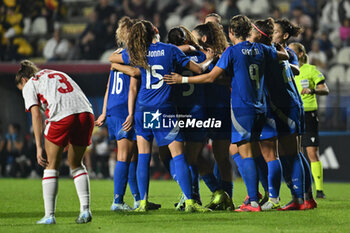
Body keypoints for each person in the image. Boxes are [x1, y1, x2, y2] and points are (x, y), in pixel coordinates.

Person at [164, 15, 289, 212]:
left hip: (233, 109)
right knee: (249, 154)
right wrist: (276, 45)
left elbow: (211, 77)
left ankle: (247, 200)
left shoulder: (229, 52)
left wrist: (182, 80)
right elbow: (285, 56)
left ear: (231, 32)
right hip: (257, 107)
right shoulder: (261, 49)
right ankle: (269, 196)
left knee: (238, 153)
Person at [110, 20, 213, 212]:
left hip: (142, 109)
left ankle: (142, 202)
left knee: (143, 156)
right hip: (163, 109)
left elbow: (113, 59)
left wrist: (122, 67)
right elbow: (199, 70)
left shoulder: (136, 52)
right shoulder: (169, 50)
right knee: (179, 155)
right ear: (156, 31)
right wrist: (208, 58)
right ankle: (190, 202)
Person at [16, 60, 94, 224]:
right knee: (76, 164)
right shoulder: (56, 73)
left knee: (50, 165)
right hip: (87, 114)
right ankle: (85, 210)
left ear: (23, 80)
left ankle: (49, 215)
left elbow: (36, 115)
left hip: (62, 116)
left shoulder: (30, 84)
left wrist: (38, 147)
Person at [96, 16, 160, 211]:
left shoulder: (117, 55)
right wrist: (131, 114)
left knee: (131, 156)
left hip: (114, 108)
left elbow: (108, 86)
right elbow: (133, 82)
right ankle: (117, 201)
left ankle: (138, 199)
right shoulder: (134, 55)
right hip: (126, 108)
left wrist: (103, 112)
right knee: (124, 156)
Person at [273, 18, 318, 210]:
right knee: (293, 152)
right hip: (287, 105)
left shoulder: (287, 52)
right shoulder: (274, 51)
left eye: (274, 31)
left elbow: (296, 69)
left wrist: (279, 61)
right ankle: (307, 197)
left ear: (284, 35)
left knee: (289, 153)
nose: (270, 33)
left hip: (288, 105)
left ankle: (298, 197)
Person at [289, 42, 329, 199]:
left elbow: (324, 89)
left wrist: (312, 90)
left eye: (291, 51)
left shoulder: (310, 70)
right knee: (294, 152)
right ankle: (299, 189)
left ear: (300, 54)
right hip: (291, 113)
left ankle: (319, 190)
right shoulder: (287, 69)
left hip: (308, 114)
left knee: (311, 152)